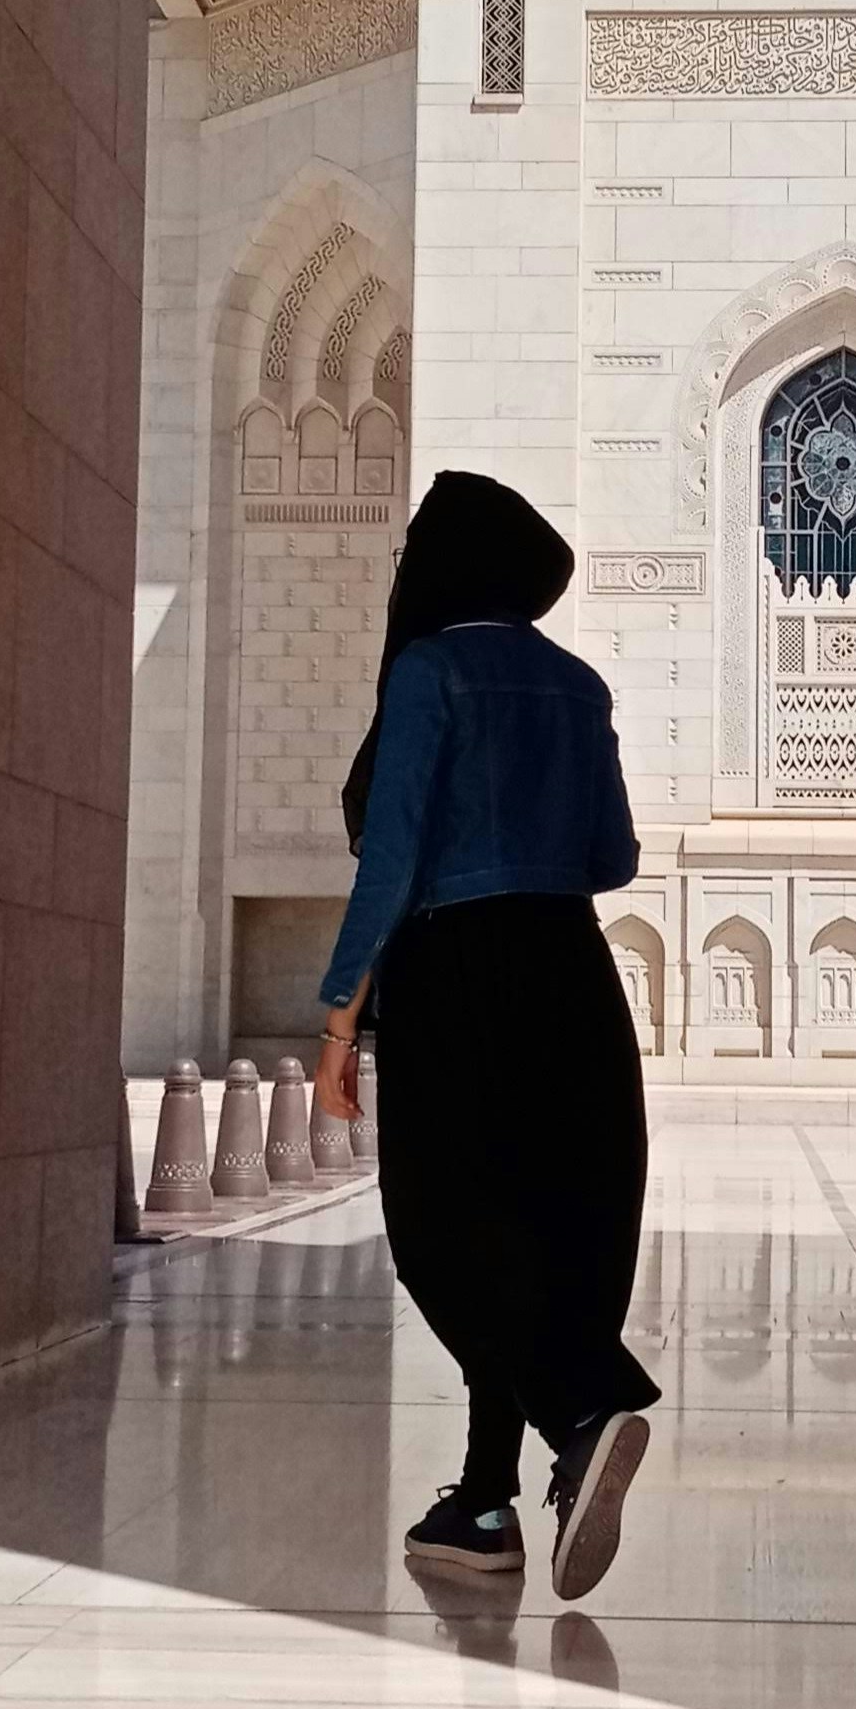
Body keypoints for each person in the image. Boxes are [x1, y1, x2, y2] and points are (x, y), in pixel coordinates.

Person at [314, 470, 659, 1600]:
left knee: (446, 1234)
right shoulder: (577, 683)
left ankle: (580, 1406)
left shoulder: (427, 673)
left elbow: (391, 858)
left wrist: (338, 1018)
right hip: (571, 967)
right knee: (546, 1240)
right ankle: (483, 1503)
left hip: (456, 974)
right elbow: (613, 860)